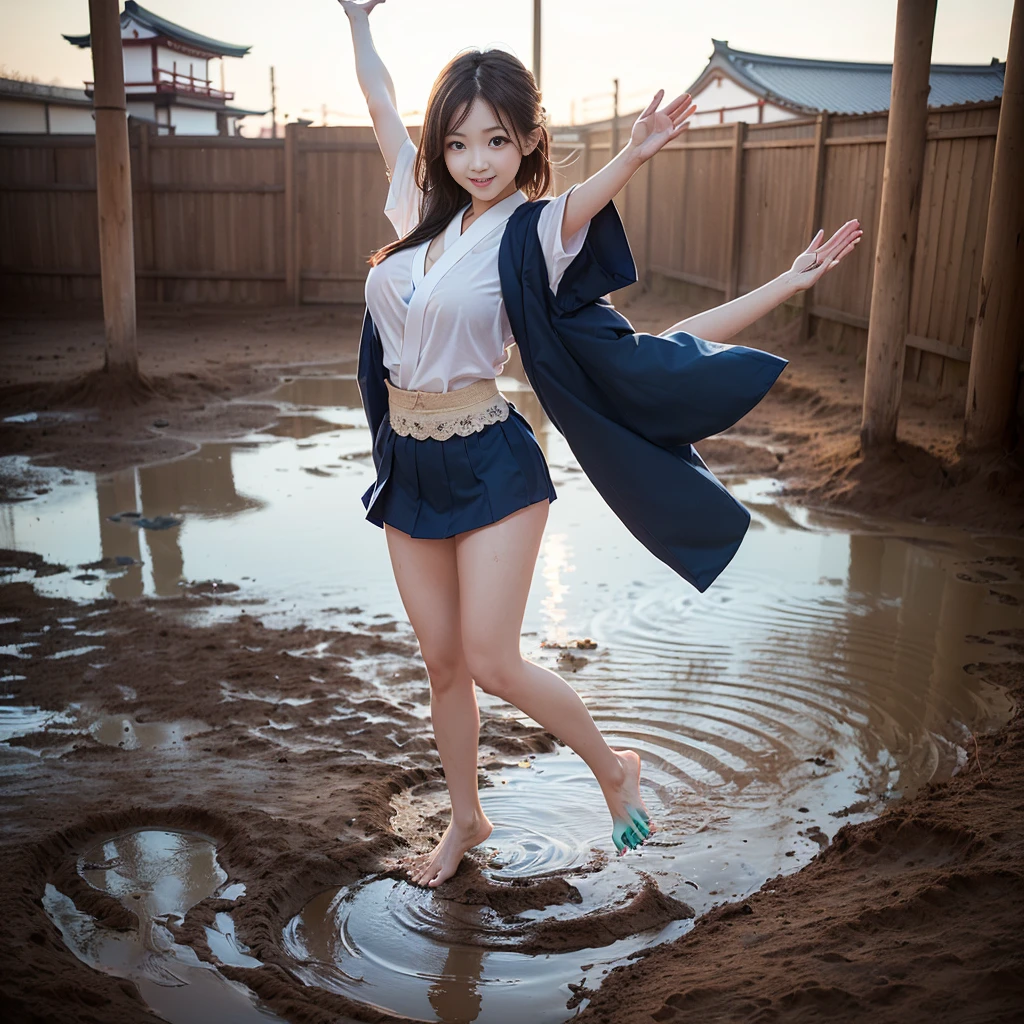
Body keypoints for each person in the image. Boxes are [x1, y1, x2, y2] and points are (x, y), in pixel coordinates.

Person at [339, 0, 862, 889]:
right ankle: (466, 817)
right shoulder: (418, 204)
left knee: (493, 658)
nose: (478, 161)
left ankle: (614, 768)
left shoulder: (535, 232)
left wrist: (640, 156)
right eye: (461, 143)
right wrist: (358, 20)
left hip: (492, 461)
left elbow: (653, 347)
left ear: (525, 143)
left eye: (498, 142)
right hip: (410, 459)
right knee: (442, 663)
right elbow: (383, 103)